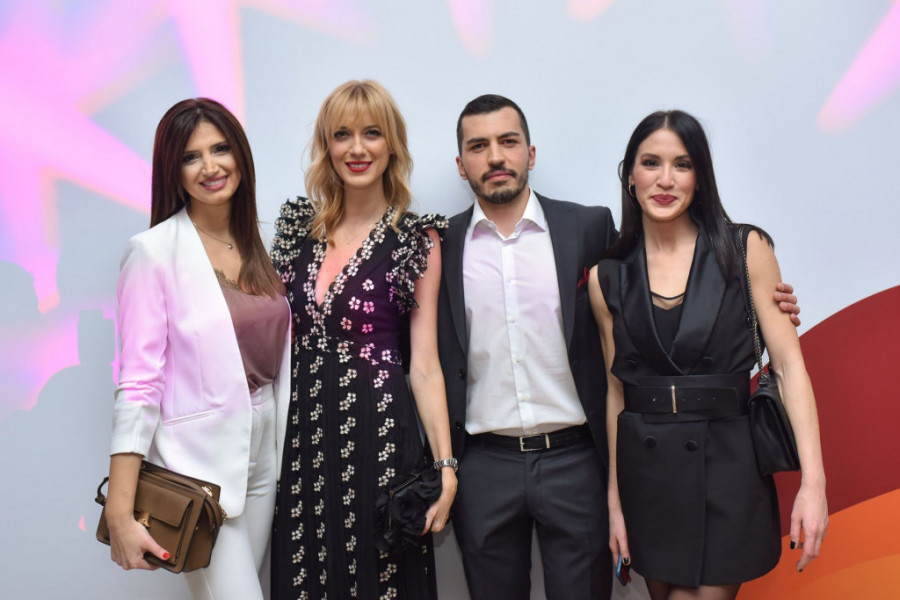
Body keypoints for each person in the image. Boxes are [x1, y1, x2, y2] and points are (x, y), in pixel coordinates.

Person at [436, 95, 803, 600]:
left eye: (508, 141)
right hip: (486, 464)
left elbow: (662, 287)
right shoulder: (438, 244)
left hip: (577, 460)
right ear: (461, 164)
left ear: (531, 153)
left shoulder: (586, 229)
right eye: (479, 146)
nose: (496, 156)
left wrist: (767, 303)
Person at [588, 110, 828, 600]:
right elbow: (616, 394)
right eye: (651, 163)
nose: (666, 179)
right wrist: (615, 501)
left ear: (700, 178)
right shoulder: (605, 277)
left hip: (728, 469)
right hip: (647, 477)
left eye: (682, 164)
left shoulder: (745, 248)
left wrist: (814, 483)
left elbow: (789, 368)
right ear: (629, 175)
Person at [269, 80, 457, 600]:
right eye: (342, 135)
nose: (357, 148)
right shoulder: (295, 233)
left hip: (382, 443)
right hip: (303, 444)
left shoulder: (416, 239)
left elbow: (425, 365)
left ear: (392, 144)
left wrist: (445, 467)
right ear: (326, 146)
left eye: (372, 133)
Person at [105, 98, 291, 600]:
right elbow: (138, 383)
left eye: (220, 149)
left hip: (263, 452)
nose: (210, 167)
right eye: (191, 157)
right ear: (174, 170)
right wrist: (120, 510)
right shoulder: (152, 252)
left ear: (240, 156)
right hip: (197, 466)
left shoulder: (257, 245)